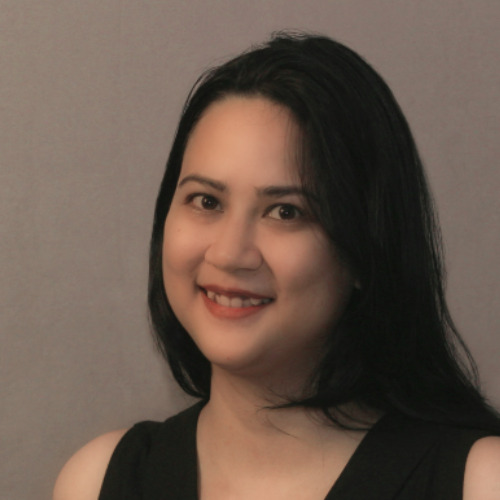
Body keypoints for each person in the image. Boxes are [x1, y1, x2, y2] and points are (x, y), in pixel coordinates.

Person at [53, 32, 500, 500]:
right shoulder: (97, 482)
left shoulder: (480, 483)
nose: (228, 254)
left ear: (366, 250)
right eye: (206, 201)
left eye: (286, 212)